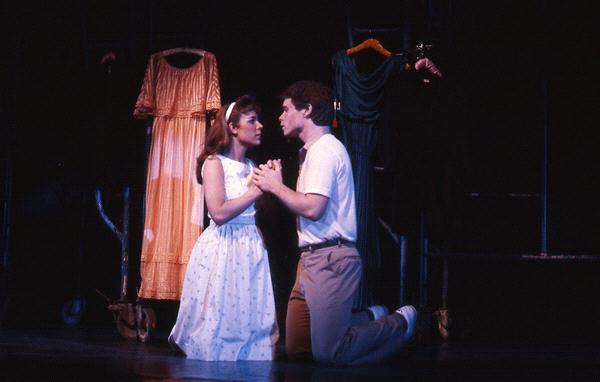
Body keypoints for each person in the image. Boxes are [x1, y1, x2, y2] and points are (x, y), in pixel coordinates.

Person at [253, 81, 417, 365]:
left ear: (307, 110)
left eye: (286, 109)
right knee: (297, 348)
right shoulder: (311, 152)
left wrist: (276, 187)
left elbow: (314, 209)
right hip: (310, 260)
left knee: (330, 353)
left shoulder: (325, 150)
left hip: (331, 258)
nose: (280, 117)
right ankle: (366, 317)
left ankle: (399, 324)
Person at [169, 95, 279, 361]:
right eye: (252, 120)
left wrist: (273, 183)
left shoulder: (252, 167)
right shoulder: (214, 163)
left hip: (249, 244)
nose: (260, 125)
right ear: (232, 126)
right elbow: (218, 212)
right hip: (224, 245)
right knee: (218, 314)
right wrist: (258, 190)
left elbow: (260, 213)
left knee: (246, 313)